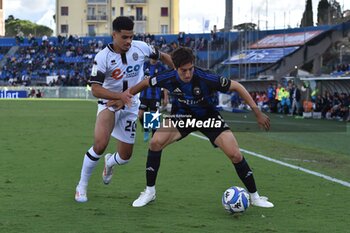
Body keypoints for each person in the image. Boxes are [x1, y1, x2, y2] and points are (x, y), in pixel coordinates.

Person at [109, 47, 274, 208]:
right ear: (175, 68)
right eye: (183, 70)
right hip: (183, 117)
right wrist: (124, 98)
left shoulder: (207, 78)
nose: (188, 74)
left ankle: (255, 197)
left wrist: (257, 113)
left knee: (235, 155)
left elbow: (237, 86)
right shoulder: (167, 77)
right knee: (155, 143)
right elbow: (145, 83)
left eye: (190, 69)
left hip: (208, 117)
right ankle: (149, 192)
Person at [74, 16, 173, 203]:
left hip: (131, 105)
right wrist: (119, 96)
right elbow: (95, 89)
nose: (129, 41)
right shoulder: (102, 57)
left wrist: (177, 71)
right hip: (109, 103)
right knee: (100, 144)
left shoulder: (141, 47)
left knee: (126, 157)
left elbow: (164, 56)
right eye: (124, 37)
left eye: (131, 37)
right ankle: (81, 186)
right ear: (114, 35)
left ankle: (110, 163)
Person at [138, 58, 168, 142]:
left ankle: (153, 139)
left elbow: (166, 83)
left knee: (153, 117)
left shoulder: (161, 67)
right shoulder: (144, 65)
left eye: (155, 57)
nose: (154, 59)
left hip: (155, 96)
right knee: (140, 114)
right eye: (152, 57)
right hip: (143, 94)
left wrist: (166, 97)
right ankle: (146, 128)